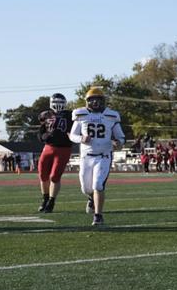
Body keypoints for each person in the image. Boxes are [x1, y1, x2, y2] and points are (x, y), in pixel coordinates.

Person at [68, 87, 124, 226]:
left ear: (103, 101)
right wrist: (81, 138)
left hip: (103, 155)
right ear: (87, 101)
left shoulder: (111, 116)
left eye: (98, 99)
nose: (95, 103)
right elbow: (72, 135)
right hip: (86, 156)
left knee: (98, 184)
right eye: (92, 100)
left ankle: (98, 215)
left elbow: (120, 137)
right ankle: (91, 198)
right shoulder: (81, 115)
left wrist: (118, 143)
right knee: (86, 189)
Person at [36, 93, 72, 212]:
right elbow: (40, 133)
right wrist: (44, 137)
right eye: (56, 102)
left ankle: (51, 201)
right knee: (42, 174)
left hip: (63, 148)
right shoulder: (46, 115)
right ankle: (45, 199)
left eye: (61, 102)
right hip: (48, 147)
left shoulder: (70, 115)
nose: (58, 105)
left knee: (54, 176)